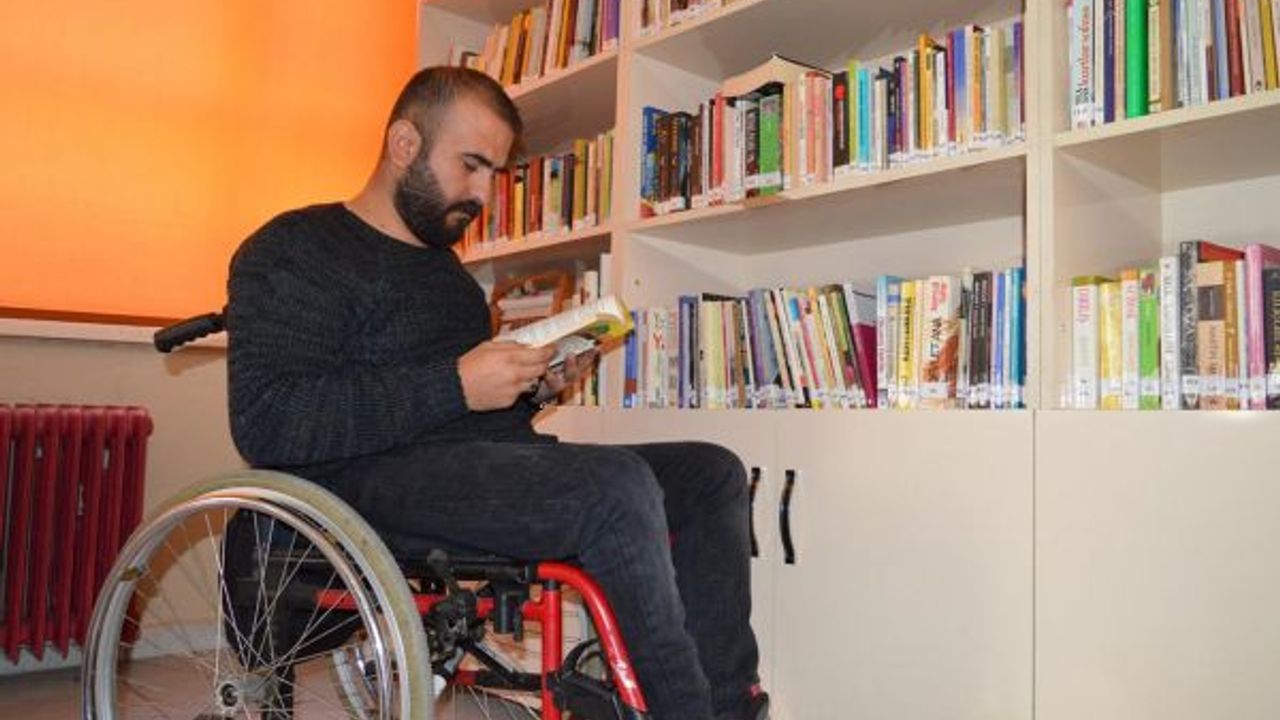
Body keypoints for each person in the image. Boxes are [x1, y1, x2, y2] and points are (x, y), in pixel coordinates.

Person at [225, 65, 767, 720]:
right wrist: (456, 383)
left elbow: (463, 415)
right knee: (614, 488)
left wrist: (530, 389)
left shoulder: (447, 278)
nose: (484, 193)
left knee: (711, 473)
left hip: (464, 471)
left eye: (495, 174)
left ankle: (729, 706)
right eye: (472, 165)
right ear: (404, 144)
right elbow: (269, 421)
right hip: (354, 482)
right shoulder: (294, 248)